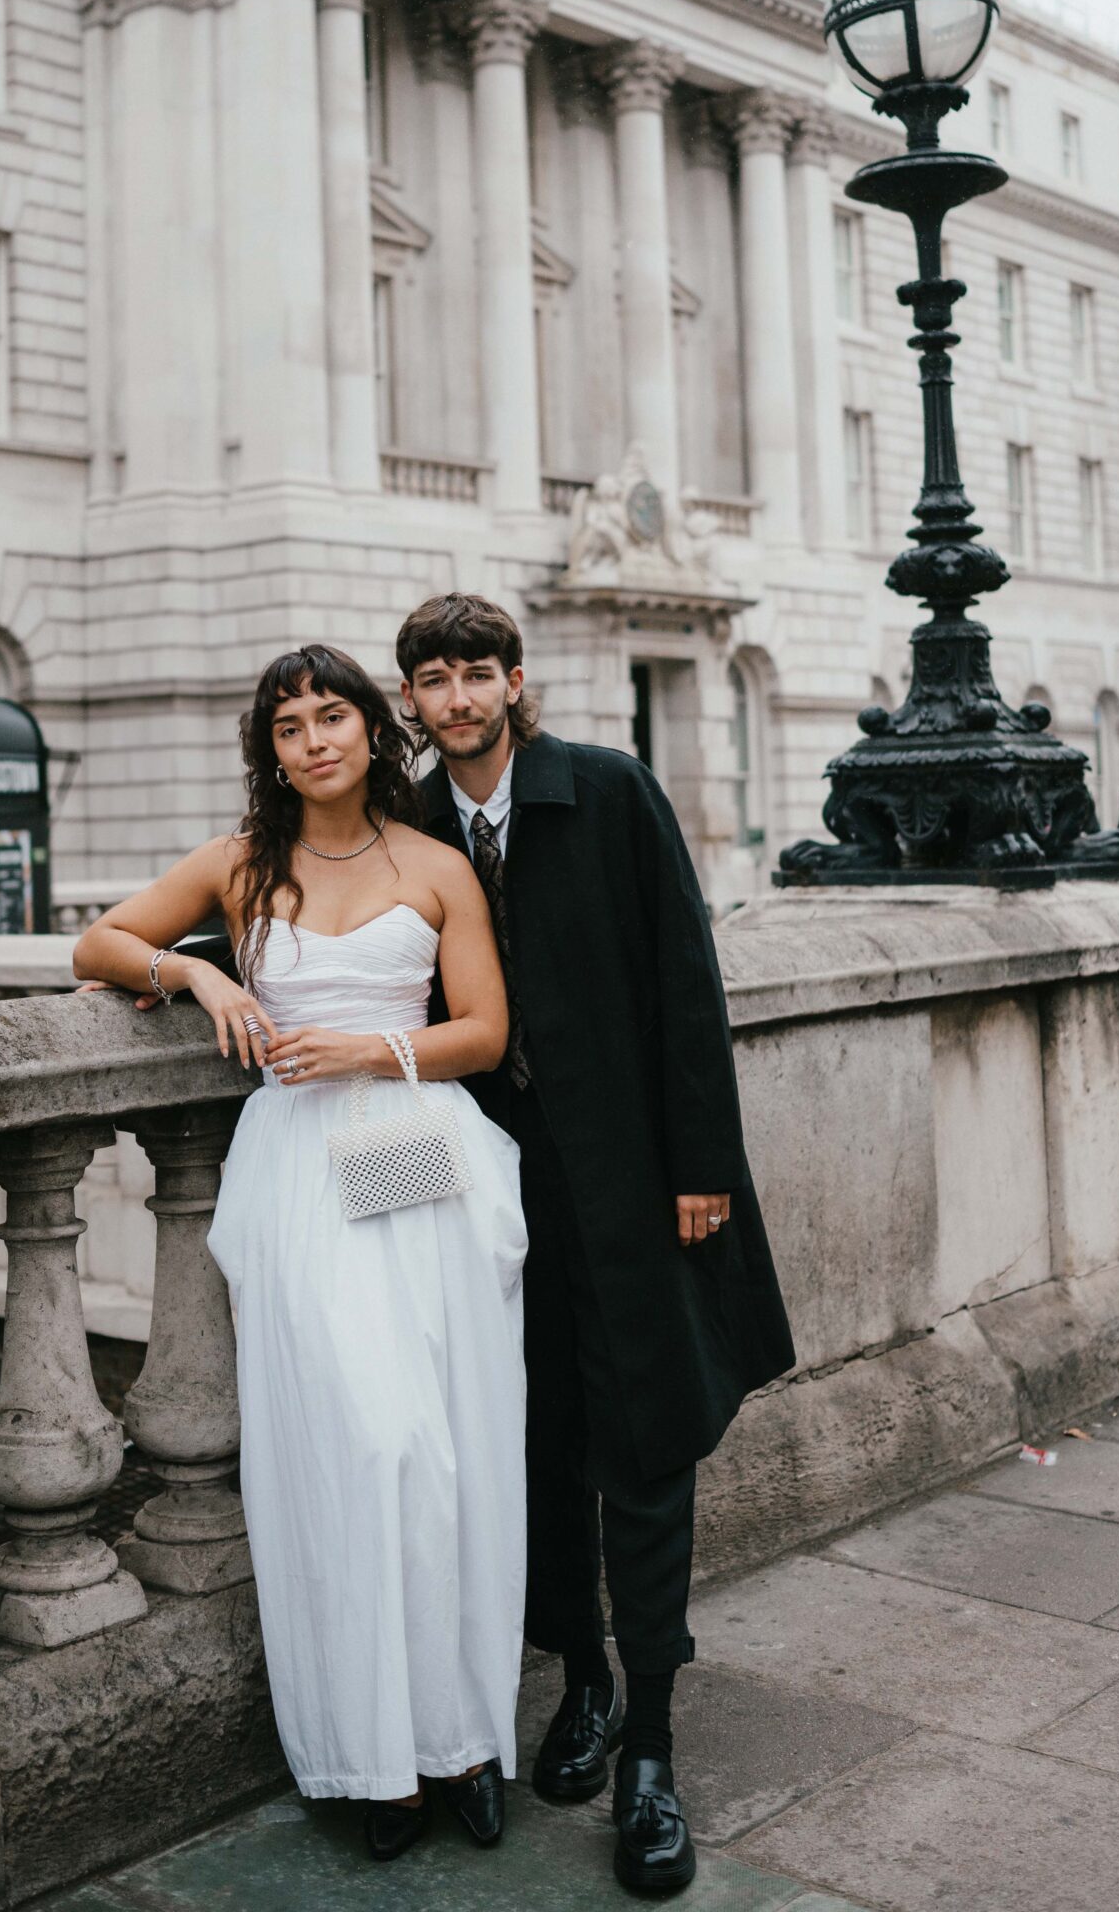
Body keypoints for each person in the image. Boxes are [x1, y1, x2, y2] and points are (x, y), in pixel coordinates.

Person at [73, 644, 526, 1863]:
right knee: (348, 1445)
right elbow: (97, 943)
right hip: (295, 1175)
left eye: (333, 716)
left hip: (413, 1149)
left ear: (376, 732)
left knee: (439, 1450)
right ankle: (368, 1755)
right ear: (269, 749)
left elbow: (482, 1032)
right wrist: (195, 980)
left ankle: (463, 1738)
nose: (314, 739)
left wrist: (379, 1053)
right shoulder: (238, 865)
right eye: (288, 725)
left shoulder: (433, 867)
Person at [396, 592, 795, 1901]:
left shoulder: (608, 791)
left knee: (642, 1447)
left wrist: (700, 1170)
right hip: (484, 1192)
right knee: (535, 1444)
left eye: (473, 676)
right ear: (411, 700)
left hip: (625, 1184)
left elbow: (687, 979)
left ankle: (651, 1752)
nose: (453, 701)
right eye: (430, 683)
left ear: (512, 682)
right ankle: (575, 1689)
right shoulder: (407, 825)